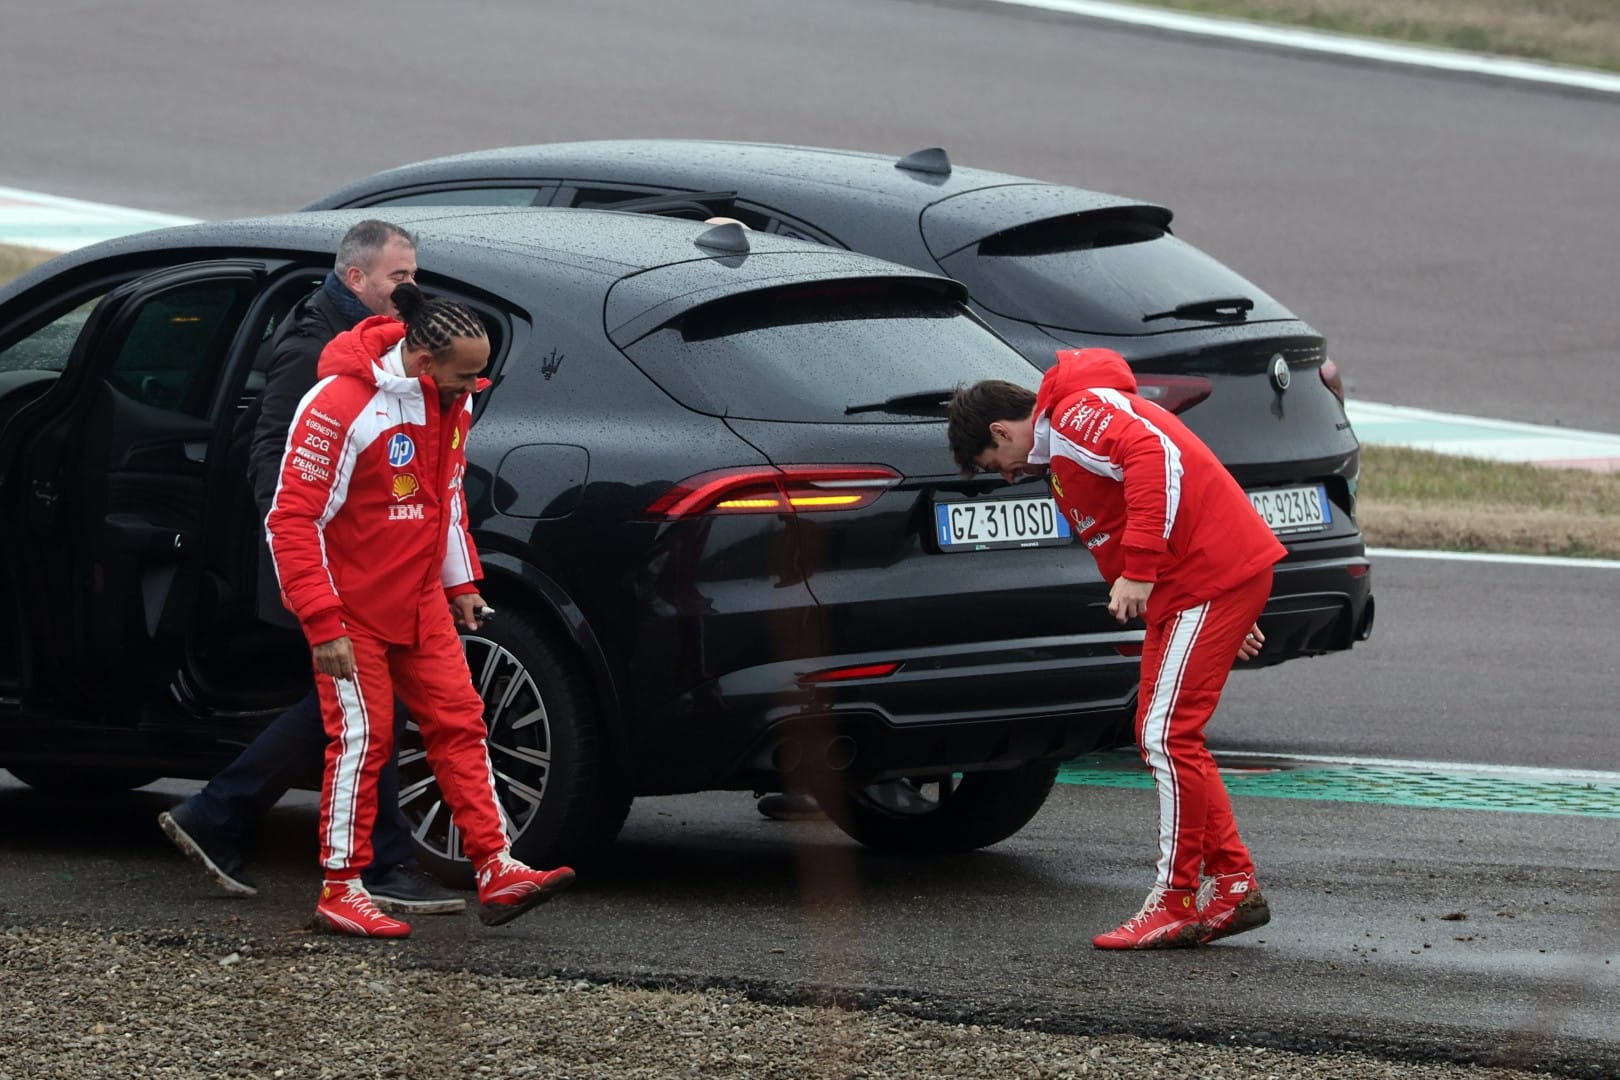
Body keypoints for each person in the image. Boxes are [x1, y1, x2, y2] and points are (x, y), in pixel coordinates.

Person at [159, 221, 461, 915]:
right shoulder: (315, 346)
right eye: (398, 278)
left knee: (354, 705)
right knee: (363, 705)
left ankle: (219, 814)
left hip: (371, 557)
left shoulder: (386, 340)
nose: (411, 289)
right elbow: (274, 453)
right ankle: (376, 861)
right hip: (328, 561)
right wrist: (309, 554)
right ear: (356, 278)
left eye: (414, 276)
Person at [947, 347, 1283, 950]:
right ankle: (1232, 884)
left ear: (1000, 430)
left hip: (1203, 578)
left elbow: (1154, 457)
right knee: (1162, 733)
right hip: (1201, 582)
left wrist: (1143, 572)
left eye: (994, 462)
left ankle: (1177, 901)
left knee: (1167, 736)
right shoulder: (1066, 438)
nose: (1006, 475)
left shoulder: (1075, 415)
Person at [265, 281, 574, 937]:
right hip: (350, 611)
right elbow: (291, 521)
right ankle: (341, 889)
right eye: (466, 376)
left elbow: (445, 498)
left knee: (462, 723)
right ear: (426, 361)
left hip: (420, 601)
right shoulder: (338, 403)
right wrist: (322, 622)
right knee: (363, 741)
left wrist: (461, 584)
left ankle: (496, 866)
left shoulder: (450, 399)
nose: (475, 388)